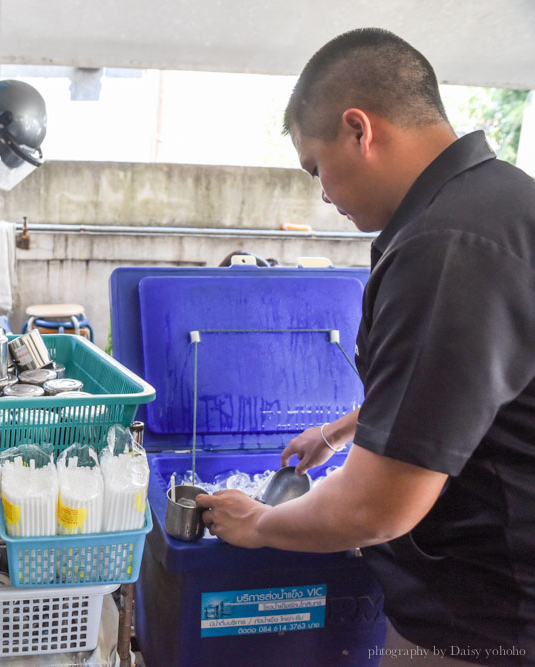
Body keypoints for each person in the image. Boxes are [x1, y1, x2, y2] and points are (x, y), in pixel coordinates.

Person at [199, 28, 535, 664]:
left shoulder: (447, 246)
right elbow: (481, 389)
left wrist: (259, 523)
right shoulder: (502, 202)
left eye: (315, 167)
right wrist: (346, 429)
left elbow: (379, 506)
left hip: (490, 623)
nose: (321, 193)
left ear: (360, 129)